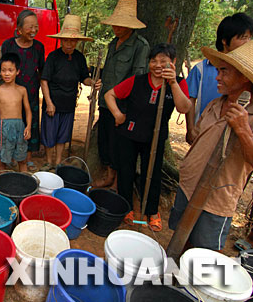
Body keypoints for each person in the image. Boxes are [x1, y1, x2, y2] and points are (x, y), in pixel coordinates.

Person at [169, 41, 253, 250]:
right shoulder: (215, 104)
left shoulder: (249, 117)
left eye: (224, 72)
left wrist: (243, 130)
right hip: (188, 187)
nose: (217, 77)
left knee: (202, 255)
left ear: (244, 77)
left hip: (215, 201)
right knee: (179, 241)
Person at [105, 43, 191, 231]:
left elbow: (184, 108)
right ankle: (126, 206)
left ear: (173, 62)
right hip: (129, 133)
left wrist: (173, 83)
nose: (158, 65)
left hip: (156, 136)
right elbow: (109, 95)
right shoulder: (137, 80)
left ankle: (152, 211)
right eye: (154, 61)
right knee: (125, 170)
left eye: (163, 61)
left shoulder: (177, 83)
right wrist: (118, 115)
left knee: (152, 173)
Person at [96, 0, 150, 188]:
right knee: (105, 141)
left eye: (120, 25)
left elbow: (138, 79)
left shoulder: (140, 46)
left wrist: (123, 107)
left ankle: (117, 181)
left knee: (120, 144)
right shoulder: (113, 44)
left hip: (122, 105)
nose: (116, 28)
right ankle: (108, 175)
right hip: (105, 102)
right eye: (114, 25)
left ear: (130, 26)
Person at [40, 14, 99, 171]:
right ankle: (48, 161)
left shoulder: (79, 58)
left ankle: (58, 162)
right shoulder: (53, 57)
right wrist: (49, 103)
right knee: (49, 134)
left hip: (69, 103)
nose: (69, 44)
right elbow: (44, 80)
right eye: (66, 40)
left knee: (63, 135)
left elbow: (84, 78)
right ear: (61, 40)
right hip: (52, 103)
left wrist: (92, 83)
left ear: (77, 42)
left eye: (73, 41)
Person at [185, 13, 253, 144]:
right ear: (225, 40)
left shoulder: (249, 73)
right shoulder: (201, 69)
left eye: (249, 38)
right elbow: (190, 99)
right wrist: (191, 129)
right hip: (205, 131)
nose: (247, 43)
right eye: (243, 38)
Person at [1, 10, 45, 172]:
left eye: (36, 26)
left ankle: (26, 158)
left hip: (31, 94)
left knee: (30, 125)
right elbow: (3, 68)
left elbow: (42, 71)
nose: (33, 30)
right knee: (13, 126)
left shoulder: (39, 47)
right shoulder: (9, 45)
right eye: (29, 27)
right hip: (11, 96)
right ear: (19, 29)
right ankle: (11, 156)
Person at [0, 53, 31, 171]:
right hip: (4, 127)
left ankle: (25, 183)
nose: (7, 73)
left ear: (17, 71)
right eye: (3, 70)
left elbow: (27, 110)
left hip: (20, 126)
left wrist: (28, 126)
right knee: (2, 158)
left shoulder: (22, 90)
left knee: (22, 158)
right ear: (0, 72)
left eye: (10, 70)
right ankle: (3, 184)